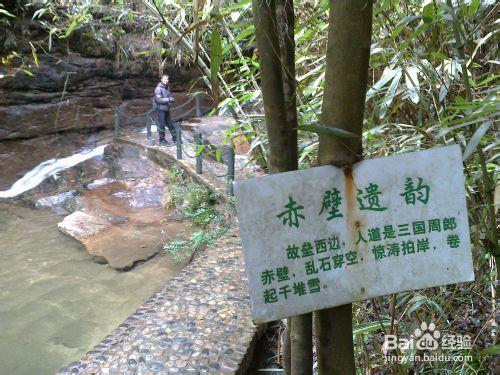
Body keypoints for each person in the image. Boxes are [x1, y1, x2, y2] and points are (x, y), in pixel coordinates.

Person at [154, 75, 176, 145]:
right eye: (164, 79)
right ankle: (162, 140)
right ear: (161, 80)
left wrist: (171, 99)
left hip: (166, 109)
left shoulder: (167, 88)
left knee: (170, 124)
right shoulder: (158, 88)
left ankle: (175, 137)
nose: (166, 80)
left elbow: (168, 96)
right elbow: (158, 100)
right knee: (162, 125)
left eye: (167, 79)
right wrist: (169, 99)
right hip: (160, 109)